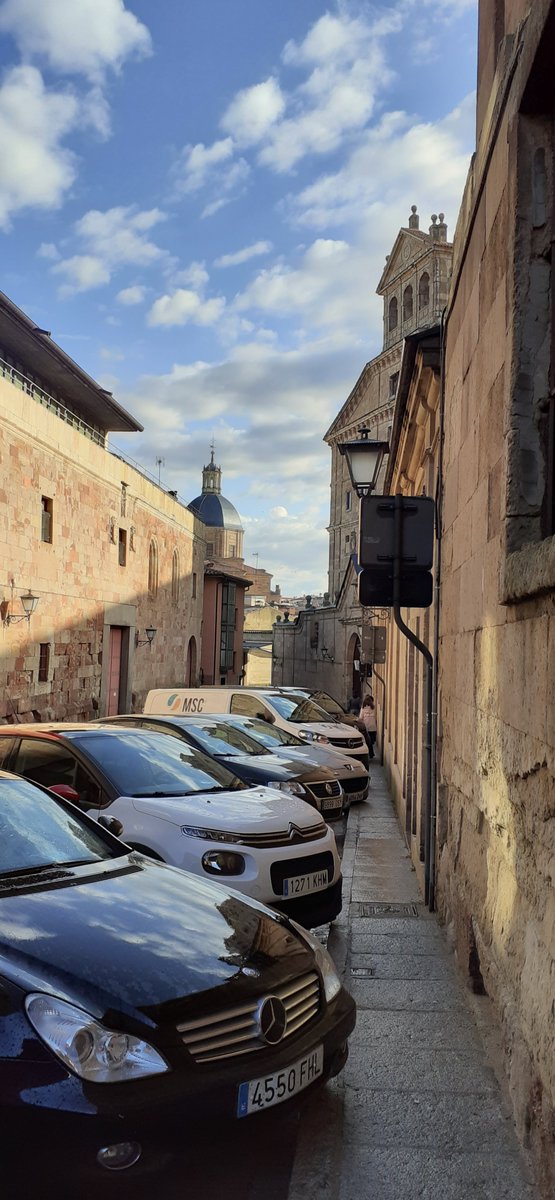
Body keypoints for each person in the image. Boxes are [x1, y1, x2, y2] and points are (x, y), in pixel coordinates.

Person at [358, 693, 377, 759]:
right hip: (373, 727)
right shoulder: (373, 708)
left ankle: (369, 753)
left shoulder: (363, 708)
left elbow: (360, 717)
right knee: (371, 741)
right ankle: (371, 753)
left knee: (367, 741)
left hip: (366, 727)